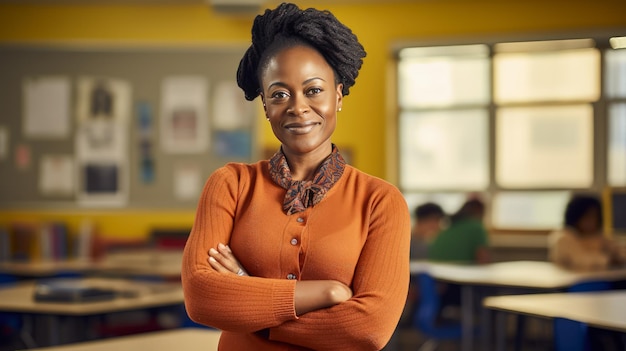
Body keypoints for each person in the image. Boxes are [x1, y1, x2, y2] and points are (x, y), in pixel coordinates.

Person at [181, 3, 411, 350]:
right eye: (279, 94)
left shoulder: (381, 201)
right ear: (264, 106)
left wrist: (247, 297)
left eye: (314, 90)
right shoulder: (231, 184)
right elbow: (201, 297)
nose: (297, 107)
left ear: (337, 96)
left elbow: (369, 328)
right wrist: (326, 292)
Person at [548, 194, 626, 271]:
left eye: (595, 216)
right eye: (587, 217)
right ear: (576, 216)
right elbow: (581, 260)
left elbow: (619, 251)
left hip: (597, 279)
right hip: (572, 282)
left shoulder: (597, 236)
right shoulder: (563, 237)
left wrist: (618, 256)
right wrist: (610, 260)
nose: (592, 221)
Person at [427, 197, 490, 264]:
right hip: (461, 271)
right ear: (479, 211)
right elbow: (483, 259)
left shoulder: (449, 226)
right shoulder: (476, 227)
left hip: (436, 271)